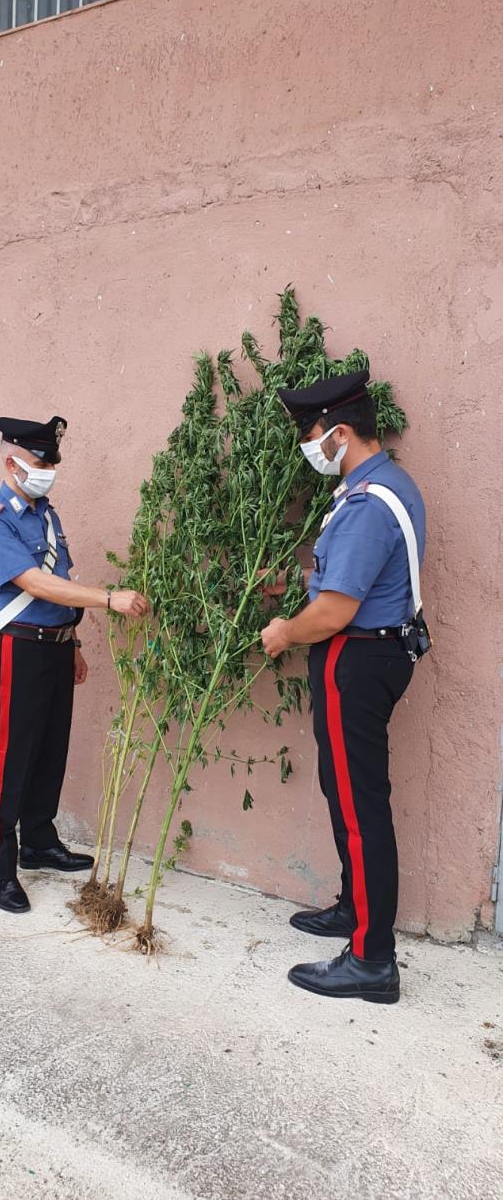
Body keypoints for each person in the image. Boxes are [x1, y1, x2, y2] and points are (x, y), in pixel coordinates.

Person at [260, 371, 426, 1004]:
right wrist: (298, 581)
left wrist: (283, 633)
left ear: (339, 433)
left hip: (354, 660)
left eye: (311, 437)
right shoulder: (383, 486)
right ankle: (354, 909)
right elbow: (343, 575)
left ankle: (370, 959)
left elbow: (334, 612)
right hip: (372, 656)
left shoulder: (367, 502)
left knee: (359, 805)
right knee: (348, 790)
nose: (310, 449)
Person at [0, 415, 149, 915]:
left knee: (51, 746)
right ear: (12, 462)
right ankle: (0, 869)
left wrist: (73, 642)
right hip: (19, 646)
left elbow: (60, 581)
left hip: (53, 644)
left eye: (51, 463)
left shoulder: (47, 515)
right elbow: (37, 584)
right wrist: (107, 599)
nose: (48, 470)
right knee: (12, 754)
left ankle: (39, 842)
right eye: (40, 462)